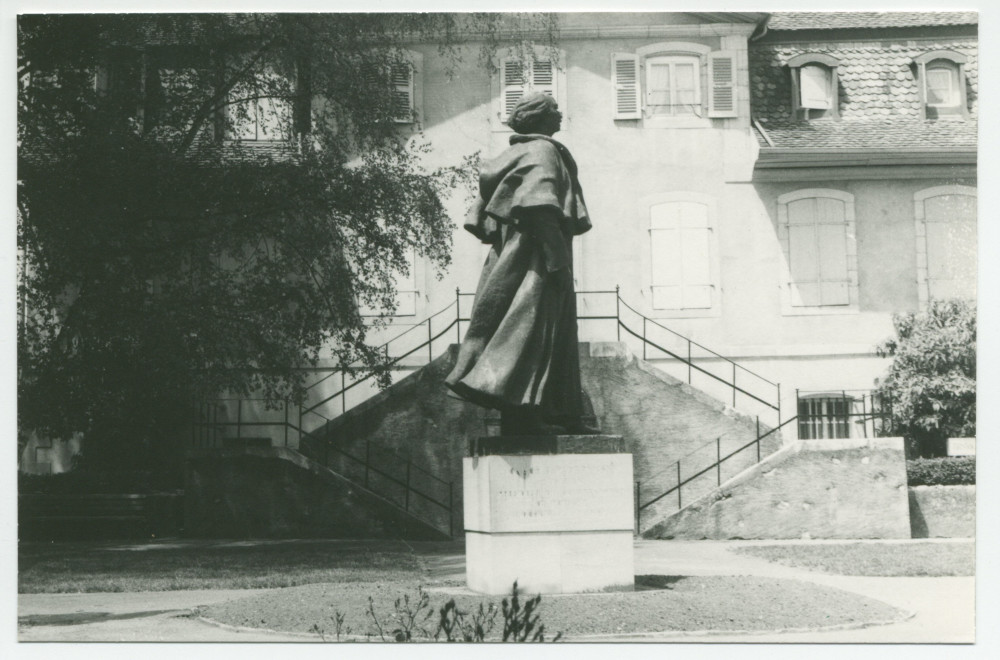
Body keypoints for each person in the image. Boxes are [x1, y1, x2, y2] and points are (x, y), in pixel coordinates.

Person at [445, 92, 598, 435]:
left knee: (528, 333)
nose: (560, 115)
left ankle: (547, 416)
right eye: (554, 109)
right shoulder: (542, 151)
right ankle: (526, 418)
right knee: (531, 334)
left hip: (514, 259)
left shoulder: (515, 153)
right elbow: (539, 207)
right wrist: (557, 262)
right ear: (540, 117)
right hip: (535, 261)